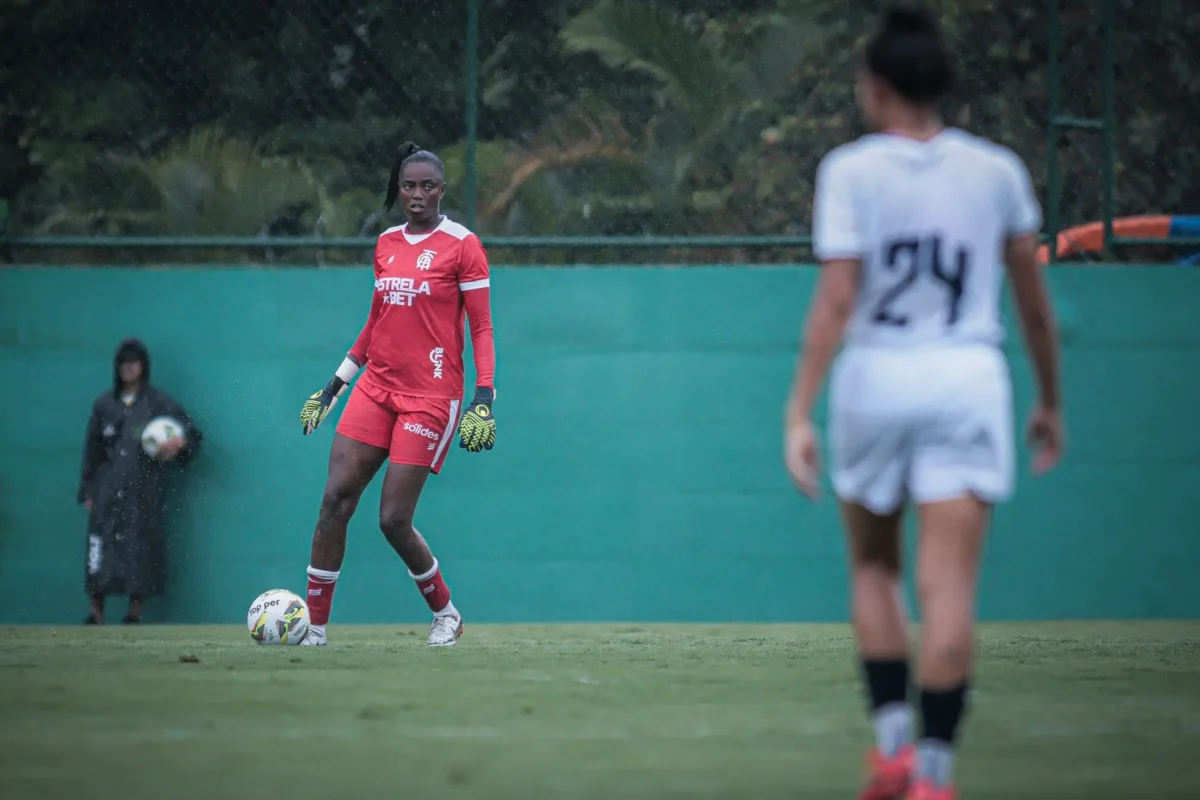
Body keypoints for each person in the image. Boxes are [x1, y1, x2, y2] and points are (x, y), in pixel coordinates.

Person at [783, 6, 1064, 800]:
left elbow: (837, 300)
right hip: (967, 381)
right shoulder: (998, 170)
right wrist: (1049, 399)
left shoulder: (850, 170)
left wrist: (799, 409)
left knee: (875, 568)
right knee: (950, 587)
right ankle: (935, 779)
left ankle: (893, 751)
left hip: (876, 380)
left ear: (874, 87)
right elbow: (1035, 308)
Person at [297, 141, 497, 648]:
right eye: (409, 185)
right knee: (333, 501)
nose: (417, 194)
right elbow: (375, 324)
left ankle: (446, 613)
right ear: (399, 189)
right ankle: (313, 629)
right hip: (375, 387)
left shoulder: (463, 244)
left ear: (442, 190)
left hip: (431, 396)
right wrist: (334, 386)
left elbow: (482, 328)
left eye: (427, 186)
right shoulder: (385, 243)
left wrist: (484, 396)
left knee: (392, 519)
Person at [77, 337, 203, 624]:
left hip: (144, 491)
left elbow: (191, 436)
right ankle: (96, 612)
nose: (128, 368)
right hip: (107, 489)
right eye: (123, 363)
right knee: (99, 548)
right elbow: (92, 450)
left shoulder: (158, 403)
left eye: (133, 362)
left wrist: (180, 445)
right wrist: (88, 489)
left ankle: (135, 612)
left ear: (143, 366)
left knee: (140, 546)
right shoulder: (104, 405)